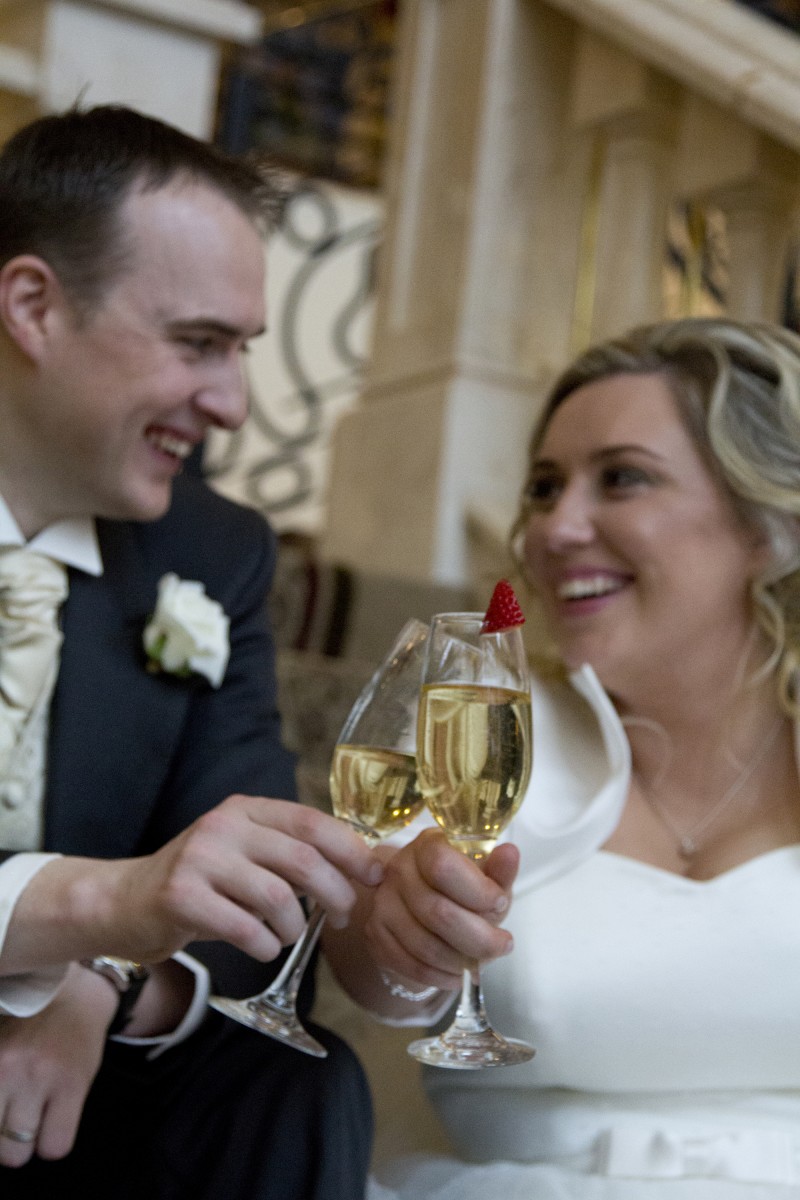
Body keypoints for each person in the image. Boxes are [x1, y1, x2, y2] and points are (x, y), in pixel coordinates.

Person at [323, 315, 800, 1197]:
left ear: (767, 526)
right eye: (544, 488)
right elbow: (372, 976)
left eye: (622, 479)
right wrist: (394, 940)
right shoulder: (484, 728)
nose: (555, 528)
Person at [0, 105, 383, 1199]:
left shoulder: (215, 552)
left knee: (292, 1080)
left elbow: (261, 921)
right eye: (198, 343)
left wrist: (102, 987)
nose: (231, 405)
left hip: (71, 1114)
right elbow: (143, 891)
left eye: (243, 352)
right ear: (33, 305)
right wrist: (84, 929)